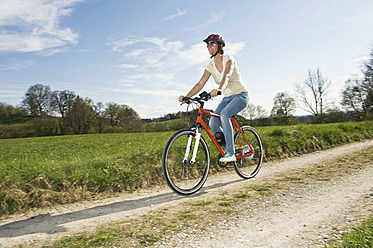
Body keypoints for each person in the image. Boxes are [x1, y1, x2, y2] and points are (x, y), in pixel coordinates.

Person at [178, 34, 249, 162]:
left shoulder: (229, 59)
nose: (209, 46)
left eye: (212, 43)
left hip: (240, 95)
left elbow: (226, 76)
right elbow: (200, 83)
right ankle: (228, 146)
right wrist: (187, 97)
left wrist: (219, 89)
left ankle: (230, 153)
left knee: (225, 115)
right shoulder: (210, 65)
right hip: (227, 98)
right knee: (213, 122)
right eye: (207, 44)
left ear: (220, 46)